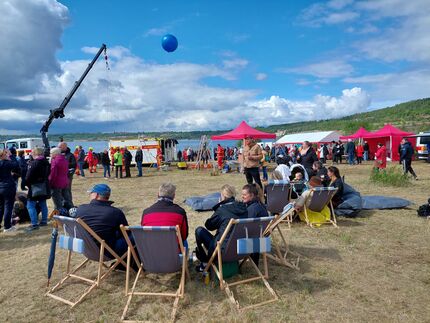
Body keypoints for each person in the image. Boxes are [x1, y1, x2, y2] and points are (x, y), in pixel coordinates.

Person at [194, 184, 248, 271]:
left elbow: (209, 226)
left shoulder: (222, 210)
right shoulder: (243, 208)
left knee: (199, 231)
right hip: (240, 248)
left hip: (222, 251)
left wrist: (218, 207)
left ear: (223, 196)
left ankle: (204, 262)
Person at [75, 184, 130, 258]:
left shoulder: (81, 209)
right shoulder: (115, 212)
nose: (89, 195)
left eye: (91, 193)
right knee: (133, 237)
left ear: (96, 195)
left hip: (85, 249)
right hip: (107, 252)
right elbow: (126, 234)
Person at [242, 183, 268, 264]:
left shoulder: (253, 208)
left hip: (253, 239)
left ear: (252, 195)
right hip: (261, 238)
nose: (242, 196)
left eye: (244, 194)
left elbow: (246, 225)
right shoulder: (260, 204)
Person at [25, 147, 50, 231]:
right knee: (43, 203)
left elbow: (28, 177)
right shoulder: (46, 162)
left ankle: (34, 224)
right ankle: (44, 221)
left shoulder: (34, 163)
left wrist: (27, 185)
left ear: (35, 153)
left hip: (35, 186)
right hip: (44, 185)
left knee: (30, 205)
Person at [0, 149, 20, 232]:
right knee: (8, 206)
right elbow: (16, 165)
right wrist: (11, 156)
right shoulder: (6, 163)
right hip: (8, 187)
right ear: (3, 155)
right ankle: (7, 226)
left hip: (0, 187)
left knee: (0, 207)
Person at [58, 142, 76, 210]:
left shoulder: (70, 155)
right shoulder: (58, 154)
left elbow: (74, 164)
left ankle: (70, 206)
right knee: (60, 192)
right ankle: (63, 205)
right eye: (58, 147)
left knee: (67, 191)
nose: (58, 148)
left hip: (68, 176)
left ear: (64, 147)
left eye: (60, 147)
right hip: (60, 177)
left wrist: (65, 164)